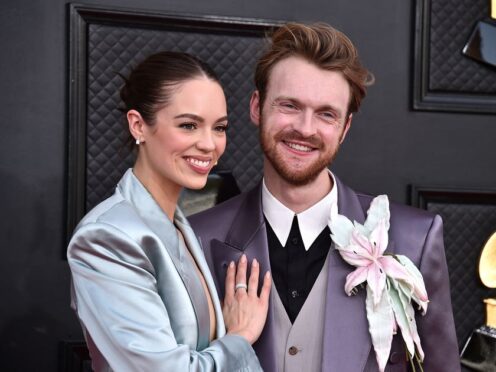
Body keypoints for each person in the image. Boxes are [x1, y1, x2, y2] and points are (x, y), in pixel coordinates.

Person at [189, 23, 461, 372]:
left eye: (326, 114)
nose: (305, 128)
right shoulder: (195, 240)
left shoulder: (415, 240)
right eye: (289, 105)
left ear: (345, 128)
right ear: (257, 107)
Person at [67, 51, 271, 372]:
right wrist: (241, 335)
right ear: (138, 125)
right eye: (189, 125)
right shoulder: (106, 237)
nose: (209, 144)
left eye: (219, 128)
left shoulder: (180, 226)